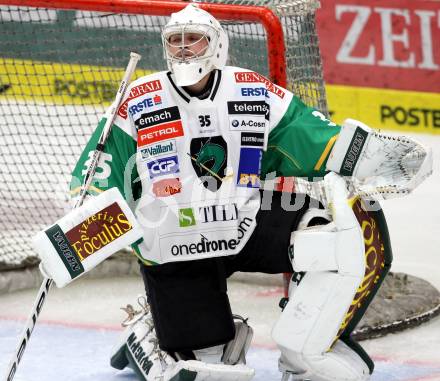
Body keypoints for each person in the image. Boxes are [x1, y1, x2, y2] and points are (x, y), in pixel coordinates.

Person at [70, 4, 431, 381]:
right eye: (174, 40)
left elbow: (305, 135)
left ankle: (305, 350)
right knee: (212, 370)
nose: (184, 48)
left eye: (194, 38)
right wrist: (77, 236)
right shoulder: (138, 101)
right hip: (174, 240)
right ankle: (154, 337)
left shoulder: (250, 90)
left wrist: (367, 153)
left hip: (244, 220)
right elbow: (97, 179)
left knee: (327, 233)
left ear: (217, 44)